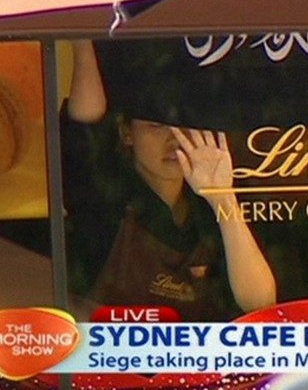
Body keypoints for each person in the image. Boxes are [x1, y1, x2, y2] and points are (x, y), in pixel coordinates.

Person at [62, 40, 276, 321]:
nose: (174, 139)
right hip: (115, 359)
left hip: (202, 361)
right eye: (156, 126)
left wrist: (222, 197)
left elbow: (259, 302)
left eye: (184, 127)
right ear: (127, 133)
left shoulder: (206, 211)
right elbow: (86, 118)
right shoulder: (104, 193)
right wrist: (82, 36)